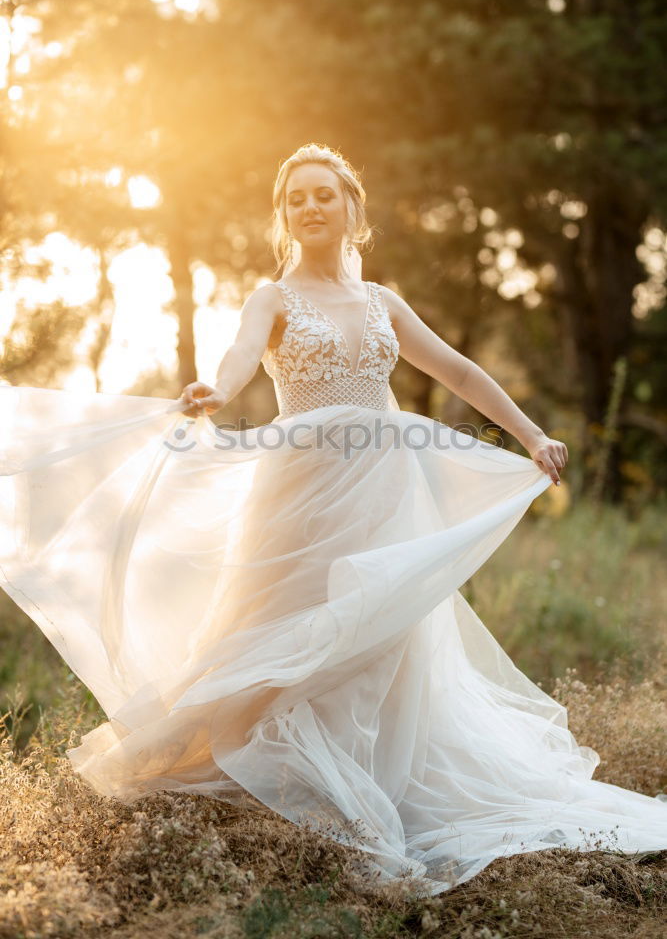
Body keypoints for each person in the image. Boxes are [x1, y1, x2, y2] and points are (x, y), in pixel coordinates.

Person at [0, 143, 666, 899]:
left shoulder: (384, 301)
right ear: (284, 217)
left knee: (381, 637)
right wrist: (213, 391)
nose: (310, 207)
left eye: (323, 194)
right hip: (301, 491)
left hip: (382, 489)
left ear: (351, 206)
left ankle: (375, 788)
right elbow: (239, 358)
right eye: (295, 199)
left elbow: (458, 371)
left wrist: (531, 435)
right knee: (281, 637)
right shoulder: (271, 298)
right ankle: (252, 784)